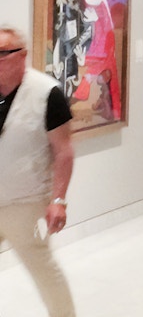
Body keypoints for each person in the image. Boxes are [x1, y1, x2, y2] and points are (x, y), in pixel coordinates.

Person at [0, 26, 76, 317]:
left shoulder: (47, 94)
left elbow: (63, 152)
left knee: (43, 270)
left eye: (2, 54)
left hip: (25, 202)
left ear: (22, 55)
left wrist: (58, 201)